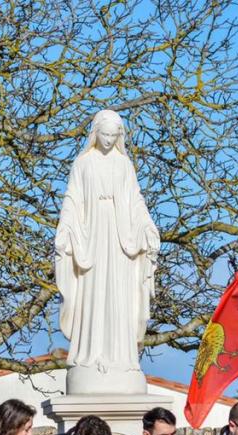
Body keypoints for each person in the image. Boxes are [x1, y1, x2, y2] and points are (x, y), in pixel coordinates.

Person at [54, 108, 160, 394]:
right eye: (105, 135)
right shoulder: (83, 164)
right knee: (94, 295)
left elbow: (135, 200)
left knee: (118, 297)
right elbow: (72, 199)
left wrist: (147, 228)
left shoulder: (124, 166)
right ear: (95, 133)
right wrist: (65, 229)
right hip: (91, 240)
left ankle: (121, 357)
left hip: (121, 239)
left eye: (114, 136)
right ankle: (91, 355)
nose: (109, 141)